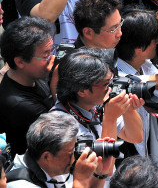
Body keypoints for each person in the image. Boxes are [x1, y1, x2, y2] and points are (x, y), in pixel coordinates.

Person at [52, 50, 144, 176]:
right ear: (82, 90)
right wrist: (110, 119)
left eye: (112, 80)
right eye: (106, 84)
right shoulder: (59, 125)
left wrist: (127, 108)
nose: (111, 88)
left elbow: (136, 137)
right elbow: (104, 170)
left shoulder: (95, 106)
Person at [115, 4, 158, 163]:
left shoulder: (144, 65)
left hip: (144, 153)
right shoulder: (121, 77)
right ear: (139, 48)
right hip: (125, 159)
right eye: (155, 39)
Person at [5, 111, 112, 188]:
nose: (75, 158)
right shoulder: (21, 185)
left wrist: (100, 174)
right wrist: (80, 181)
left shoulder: (49, 168)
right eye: (70, 153)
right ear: (46, 157)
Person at [0, 17, 54, 155]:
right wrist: (56, 82)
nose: (52, 59)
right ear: (20, 62)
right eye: (46, 54)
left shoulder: (33, 75)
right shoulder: (17, 104)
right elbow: (61, 129)